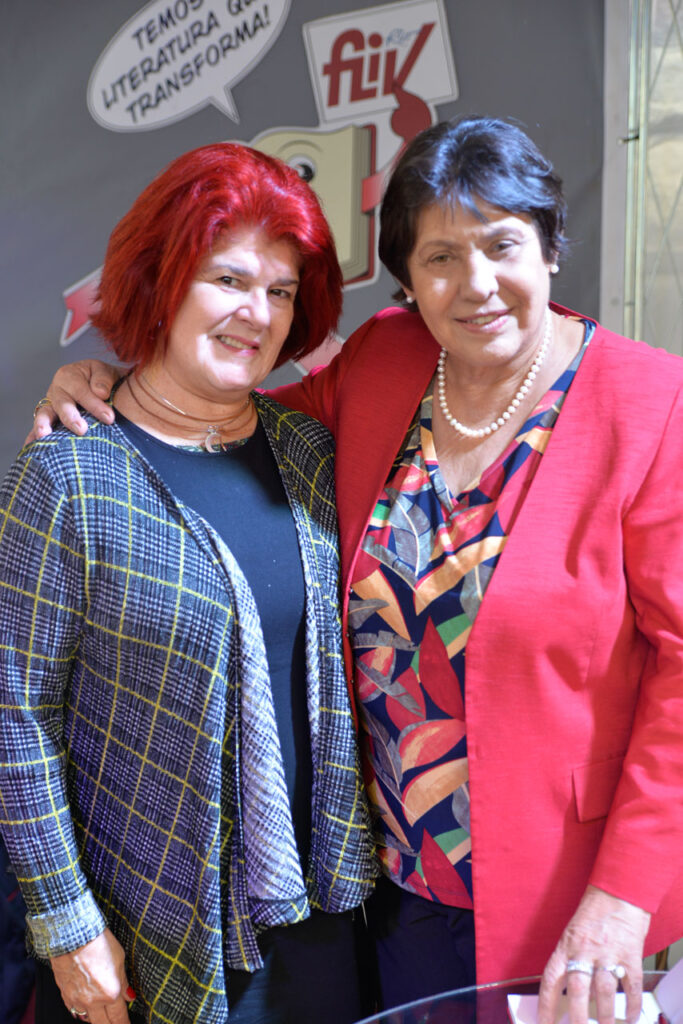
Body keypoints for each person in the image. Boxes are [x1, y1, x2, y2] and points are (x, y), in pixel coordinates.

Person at [31, 115, 683, 1024]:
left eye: (502, 245)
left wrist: (621, 900)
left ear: (549, 248)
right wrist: (108, 381)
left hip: (566, 899)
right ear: (408, 282)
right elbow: (216, 412)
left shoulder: (651, 403)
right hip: (382, 892)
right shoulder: (386, 362)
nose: (475, 284)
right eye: (440, 257)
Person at [0, 143, 378, 1024]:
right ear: (162, 282)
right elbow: (15, 715)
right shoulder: (69, 475)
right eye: (228, 280)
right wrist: (66, 924)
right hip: (143, 932)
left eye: (280, 291)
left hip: (319, 916)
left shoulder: (307, 452)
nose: (257, 313)